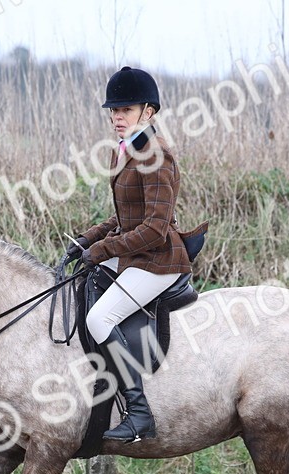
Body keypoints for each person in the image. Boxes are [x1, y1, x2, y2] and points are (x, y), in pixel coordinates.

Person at [66, 66, 194, 443]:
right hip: (136, 253)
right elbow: (125, 217)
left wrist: (103, 249)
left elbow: (154, 228)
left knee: (100, 317)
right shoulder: (124, 151)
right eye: (114, 110)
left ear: (148, 112)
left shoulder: (157, 156)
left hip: (158, 260)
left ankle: (139, 413)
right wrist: (87, 240)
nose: (117, 117)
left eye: (126, 110)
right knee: (80, 283)